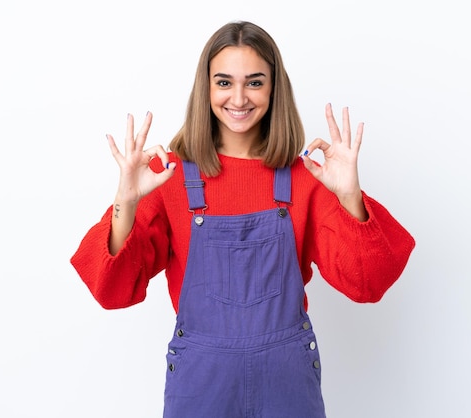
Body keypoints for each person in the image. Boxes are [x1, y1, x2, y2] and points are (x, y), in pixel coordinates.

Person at [71, 20, 415, 418]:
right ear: (206, 89)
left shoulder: (308, 179)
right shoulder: (167, 177)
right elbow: (110, 291)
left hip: (286, 384)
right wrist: (125, 202)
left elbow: (368, 283)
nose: (239, 97)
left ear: (273, 89)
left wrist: (350, 195)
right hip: (202, 386)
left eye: (254, 82)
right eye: (223, 82)